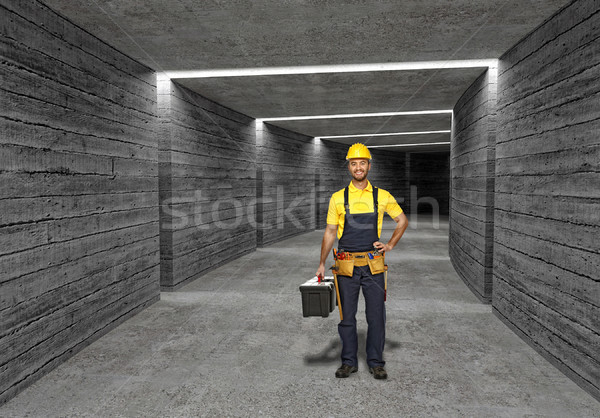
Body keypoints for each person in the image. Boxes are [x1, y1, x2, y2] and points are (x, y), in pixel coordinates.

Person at [316, 143, 408, 379]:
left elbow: (402, 221)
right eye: (354, 163)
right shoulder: (337, 198)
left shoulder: (382, 195)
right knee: (347, 317)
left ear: (369, 165)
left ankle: (376, 362)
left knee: (376, 315)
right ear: (349, 166)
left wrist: (389, 245)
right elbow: (329, 231)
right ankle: (348, 362)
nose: (358, 167)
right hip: (345, 265)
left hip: (373, 265)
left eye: (362, 163)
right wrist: (321, 263)